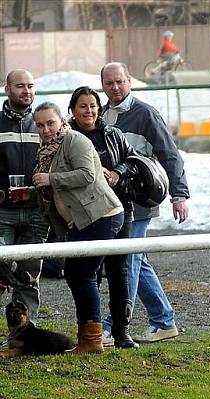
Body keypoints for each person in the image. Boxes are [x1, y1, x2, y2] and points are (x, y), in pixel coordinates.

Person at [101, 62, 190, 343]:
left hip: (140, 200)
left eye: (120, 82)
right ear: (102, 85)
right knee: (138, 260)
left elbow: (171, 155)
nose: (115, 87)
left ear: (130, 81)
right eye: (109, 83)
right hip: (114, 203)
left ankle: (112, 326)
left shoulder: (146, 114)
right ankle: (163, 320)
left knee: (128, 260)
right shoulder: (102, 115)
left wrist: (180, 195)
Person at [30, 102, 124, 354]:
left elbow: (87, 175)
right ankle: (89, 337)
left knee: (82, 273)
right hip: (81, 220)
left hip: (101, 214)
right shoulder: (46, 150)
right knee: (76, 273)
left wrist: (51, 179)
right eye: (40, 125)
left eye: (50, 123)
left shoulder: (74, 140)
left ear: (61, 120)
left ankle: (92, 340)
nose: (46, 129)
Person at [68, 86, 141, 349]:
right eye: (83, 106)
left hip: (119, 209)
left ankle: (122, 332)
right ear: (72, 110)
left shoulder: (112, 134)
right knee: (89, 273)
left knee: (118, 271)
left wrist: (118, 172)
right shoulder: (68, 138)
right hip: (86, 215)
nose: (89, 111)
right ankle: (94, 333)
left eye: (93, 106)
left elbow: (134, 159)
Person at [0, 69, 50, 315]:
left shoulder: (43, 124)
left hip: (35, 213)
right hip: (2, 213)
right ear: (7, 89)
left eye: (30, 86)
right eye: (20, 86)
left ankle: (23, 335)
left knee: (29, 277)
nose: (26, 91)